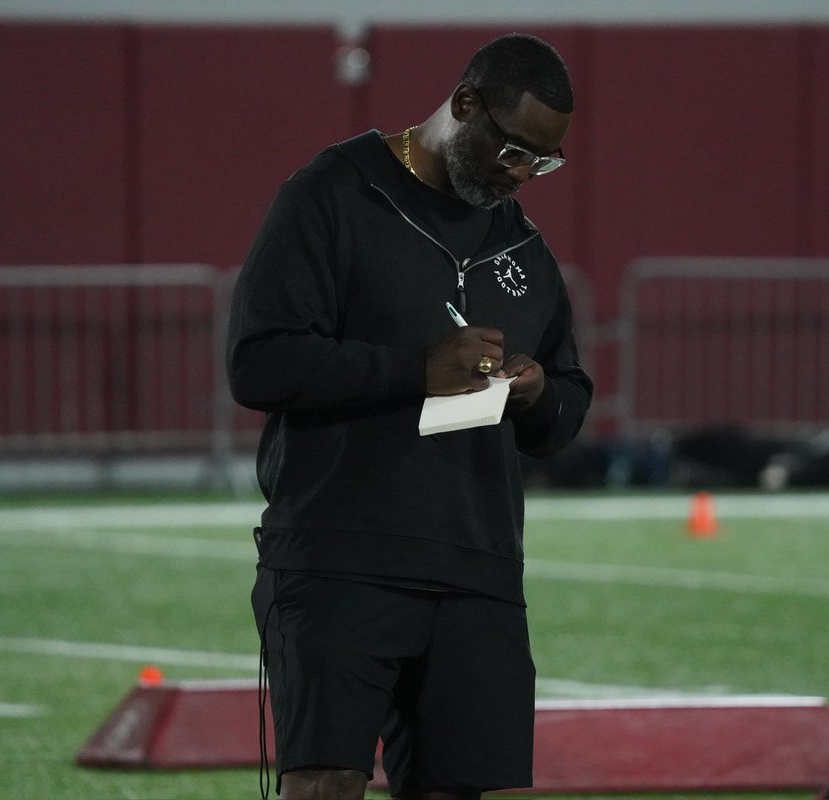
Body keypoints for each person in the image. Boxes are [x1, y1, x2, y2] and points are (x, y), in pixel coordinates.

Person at [227, 32, 593, 800]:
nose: (521, 173)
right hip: (339, 557)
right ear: (465, 106)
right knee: (325, 784)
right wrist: (413, 371)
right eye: (513, 149)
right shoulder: (333, 194)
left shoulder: (522, 246)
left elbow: (566, 407)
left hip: (476, 566)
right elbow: (259, 360)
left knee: (478, 790)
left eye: (541, 160)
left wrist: (537, 394)